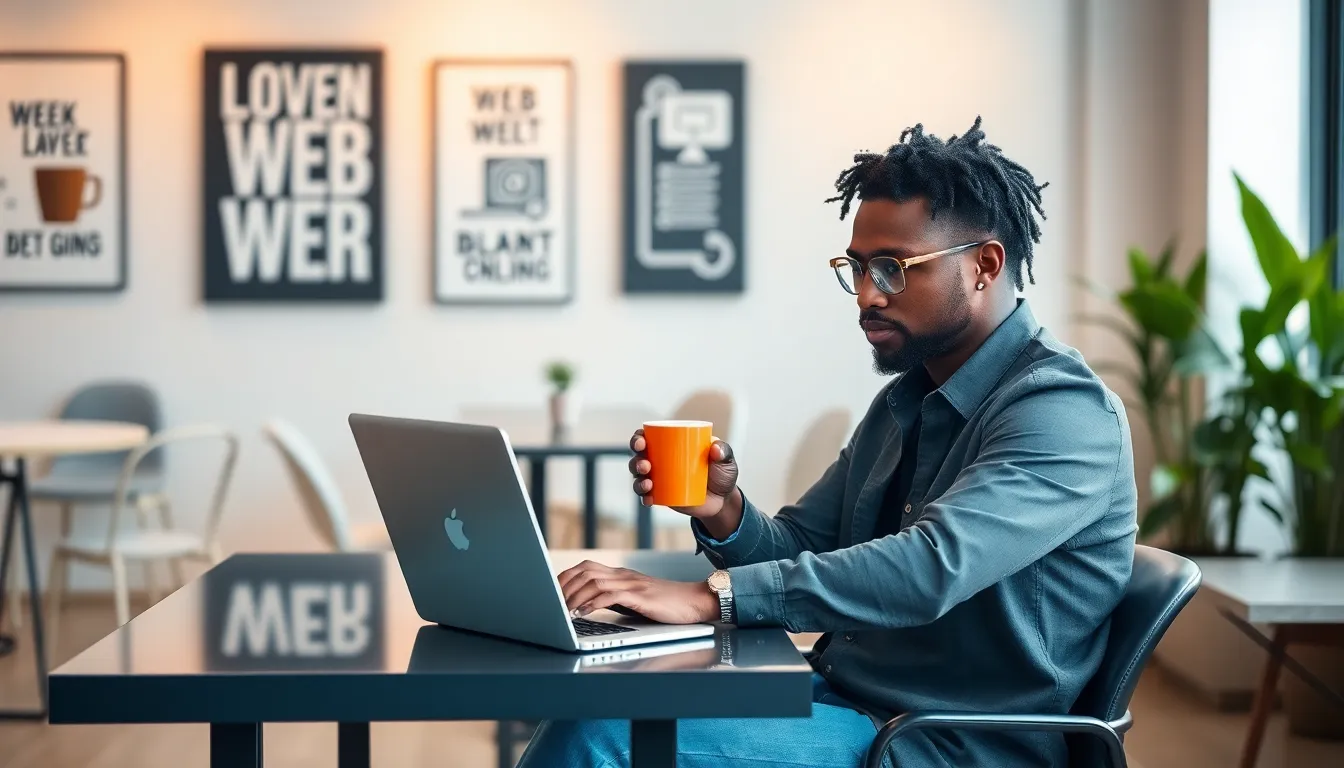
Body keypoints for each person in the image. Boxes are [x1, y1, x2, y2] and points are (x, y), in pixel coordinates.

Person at [518, 116, 1138, 768]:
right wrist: (721, 512)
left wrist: (710, 596)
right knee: (605, 699)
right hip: (849, 700)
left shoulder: (1062, 413)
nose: (868, 295)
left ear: (985, 265)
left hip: (944, 742)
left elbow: (930, 567)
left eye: (895, 269)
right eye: (859, 268)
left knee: (599, 734)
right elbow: (800, 545)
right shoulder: (905, 402)